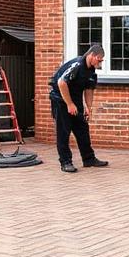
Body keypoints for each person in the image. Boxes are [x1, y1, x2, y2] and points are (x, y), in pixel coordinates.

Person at [49, 44, 109, 173]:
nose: (100, 62)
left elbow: (89, 89)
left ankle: (89, 159)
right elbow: (61, 82)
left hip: (75, 101)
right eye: (99, 59)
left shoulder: (91, 71)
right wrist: (69, 104)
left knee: (82, 129)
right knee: (63, 132)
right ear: (91, 55)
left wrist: (88, 107)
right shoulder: (77, 65)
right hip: (60, 100)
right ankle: (65, 162)